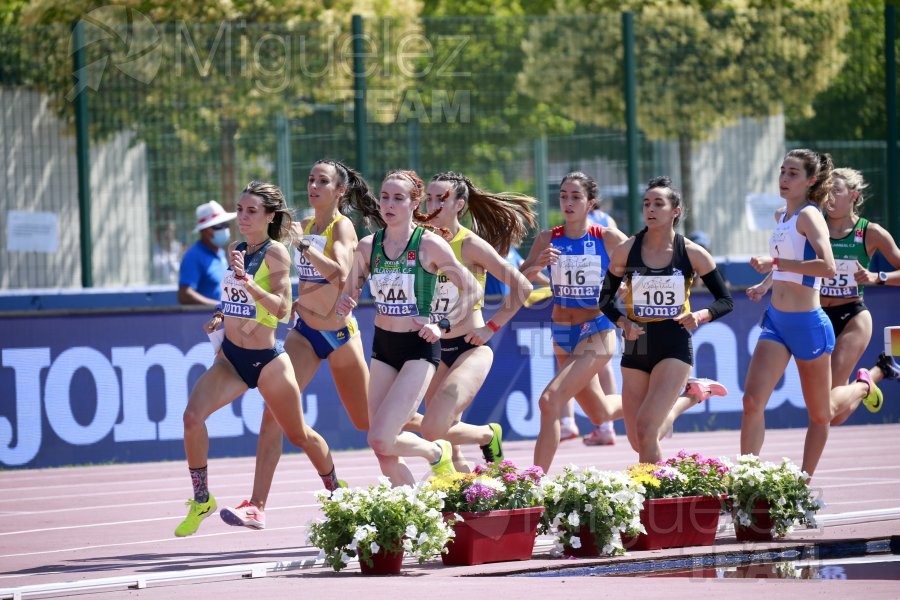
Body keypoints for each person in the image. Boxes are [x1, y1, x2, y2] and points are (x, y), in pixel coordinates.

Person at [219, 160, 383, 530]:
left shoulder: (342, 228)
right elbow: (301, 276)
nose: (313, 186)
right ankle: (256, 506)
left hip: (340, 337)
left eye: (323, 181)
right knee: (272, 416)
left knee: (370, 423)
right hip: (304, 333)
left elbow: (339, 273)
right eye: (310, 179)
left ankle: (437, 437)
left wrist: (304, 246)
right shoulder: (305, 227)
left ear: (339, 190)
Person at [174, 181, 342, 537]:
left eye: (252, 211)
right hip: (231, 359)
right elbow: (231, 297)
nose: (243, 217)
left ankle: (338, 493)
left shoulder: (277, 253)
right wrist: (220, 314)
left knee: (299, 435)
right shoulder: (234, 247)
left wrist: (249, 283)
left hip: (267, 360)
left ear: (269, 216)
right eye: (240, 209)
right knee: (191, 418)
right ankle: (202, 498)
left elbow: (282, 310)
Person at [335, 169, 480, 486]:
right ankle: (414, 517)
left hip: (419, 347)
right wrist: (345, 301)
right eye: (384, 197)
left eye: (398, 198)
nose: (389, 204)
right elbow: (349, 291)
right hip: (383, 346)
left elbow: (472, 289)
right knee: (383, 451)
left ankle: (436, 454)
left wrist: (442, 323)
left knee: (383, 438)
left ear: (415, 203)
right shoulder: (367, 246)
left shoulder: (429, 245)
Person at [746, 166, 900, 435]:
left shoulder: (870, 232)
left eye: (836, 192)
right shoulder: (815, 224)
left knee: (829, 409)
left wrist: (877, 276)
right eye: (826, 192)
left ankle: (872, 376)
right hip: (817, 314)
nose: (829, 199)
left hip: (853, 315)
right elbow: (794, 262)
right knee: (832, 415)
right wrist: (765, 284)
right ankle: (873, 377)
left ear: (853, 195)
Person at [403, 171, 537, 472]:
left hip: (469, 346)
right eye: (430, 198)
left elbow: (522, 287)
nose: (434, 204)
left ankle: (489, 435)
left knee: (433, 429)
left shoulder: (470, 245)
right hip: (434, 346)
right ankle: (463, 489)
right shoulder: (421, 242)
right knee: (445, 438)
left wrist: (490, 327)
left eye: (443, 198)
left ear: (459, 205)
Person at [598, 176, 734, 464]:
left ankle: (655, 502)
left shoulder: (692, 254)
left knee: (648, 428)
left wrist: (700, 315)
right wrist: (623, 324)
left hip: (674, 342)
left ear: (675, 211)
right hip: (637, 345)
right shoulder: (627, 251)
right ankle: (692, 395)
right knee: (639, 440)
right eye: (646, 203)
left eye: (658, 204)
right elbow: (604, 300)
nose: (650, 209)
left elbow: (725, 300)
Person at [519, 171, 630, 473]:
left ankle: (533, 483)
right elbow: (520, 280)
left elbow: (644, 269)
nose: (568, 202)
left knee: (549, 400)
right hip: (561, 332)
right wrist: (536, 264)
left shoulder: (607, 238)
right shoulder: (547, 238)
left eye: (576, 197)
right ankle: (672, 394)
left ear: (591, 202)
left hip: (597, 329)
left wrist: (624, 285)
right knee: (600, 413)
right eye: (563, 195)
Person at [741, 149, 837, 477]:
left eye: (793, 173)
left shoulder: (810, 215)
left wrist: (776, 264)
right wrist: (766, 283)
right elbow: (785, 264)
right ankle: (747, 481)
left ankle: (802, 486)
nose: (784, 178)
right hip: (777, 321)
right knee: (752, 402)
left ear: (811, 180)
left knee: (821, 415)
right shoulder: (781, 216)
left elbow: (827, 267)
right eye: (782, 171)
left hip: (808, 324)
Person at [178, 200, 236, 306]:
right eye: (218, 225)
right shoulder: (193, 256)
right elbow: (184, 295)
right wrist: (218, 306)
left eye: (225, 224)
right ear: (204, 230)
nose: (224, 229)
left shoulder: (220, 253)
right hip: (206, 320)